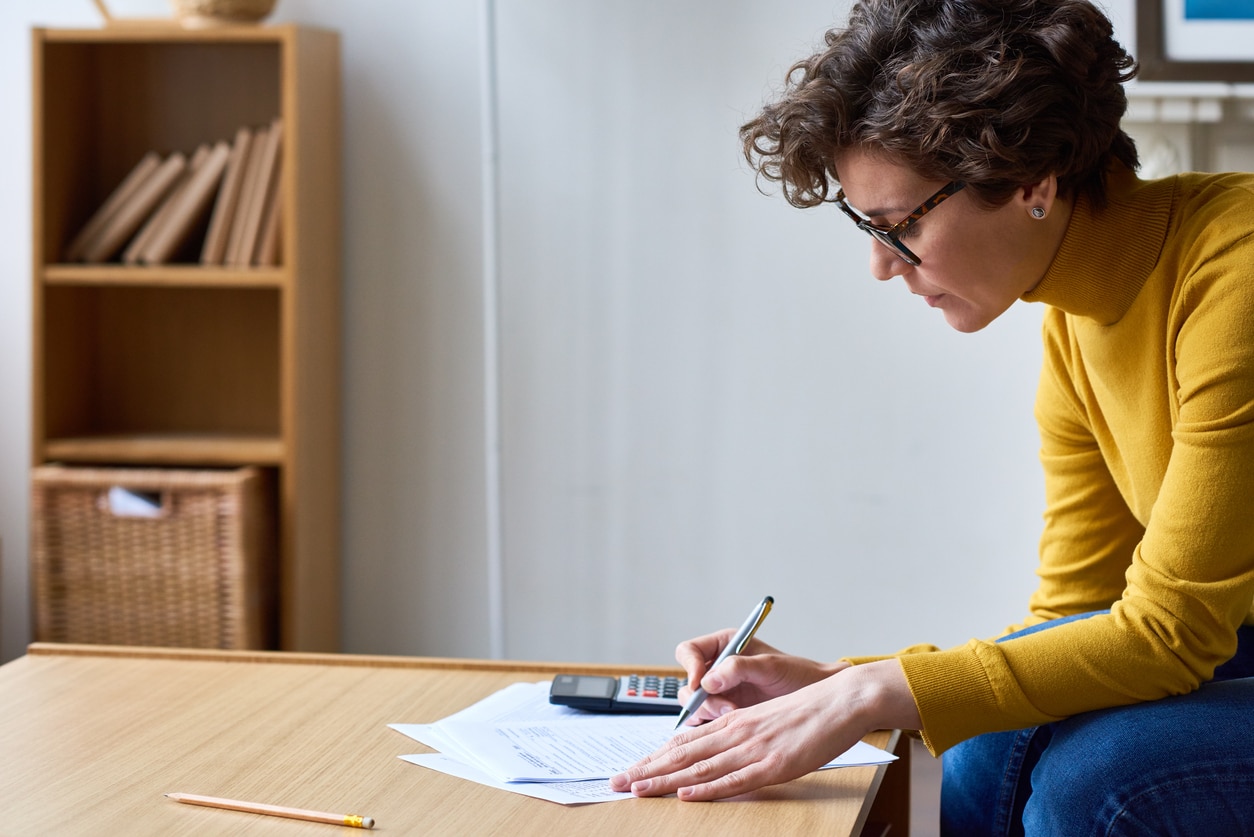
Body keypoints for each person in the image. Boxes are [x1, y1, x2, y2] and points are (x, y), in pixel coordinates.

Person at [607, 0, 1254, 832]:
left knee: (1101, 781)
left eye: (900, 225)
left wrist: (874, 692)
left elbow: (1169, 633)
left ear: (1032, 181)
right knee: (989, 741)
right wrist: (842, 681)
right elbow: (1077, 610)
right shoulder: (1075, 316)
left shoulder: (1232, 281)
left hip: (1217, 635)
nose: (881, 265)